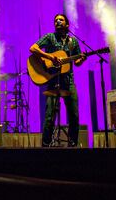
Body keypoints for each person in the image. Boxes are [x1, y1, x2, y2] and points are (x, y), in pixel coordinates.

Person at [30, 14, 86, 147]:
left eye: (61, 20)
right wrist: (49, 57)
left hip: (69, 81)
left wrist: (81, 59)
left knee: (74, 114)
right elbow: (33, 48)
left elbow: (76, 62)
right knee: (50, 116)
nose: (57, 21)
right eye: (55, 20)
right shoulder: (50, 37)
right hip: (52, 81)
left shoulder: (73, 42)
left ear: (67, 24)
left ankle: (72, 144)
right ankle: (46, 144)